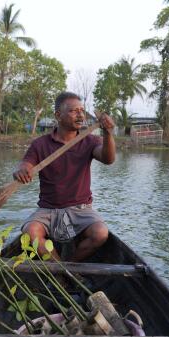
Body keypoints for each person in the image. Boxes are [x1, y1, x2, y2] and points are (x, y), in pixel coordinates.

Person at [13, 92, 116, 262]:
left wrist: (109, 134)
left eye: (82, 111)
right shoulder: (40, 144)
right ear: (58, 115)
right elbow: (27, 164)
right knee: (30, 233)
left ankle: (66, 268)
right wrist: (22, 170)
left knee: (100, 234)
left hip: (81, 209)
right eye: (74, 111)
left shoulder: (90, 141)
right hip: (47, 209)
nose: (80, 115)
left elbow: (108, 159)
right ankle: (62, 274)